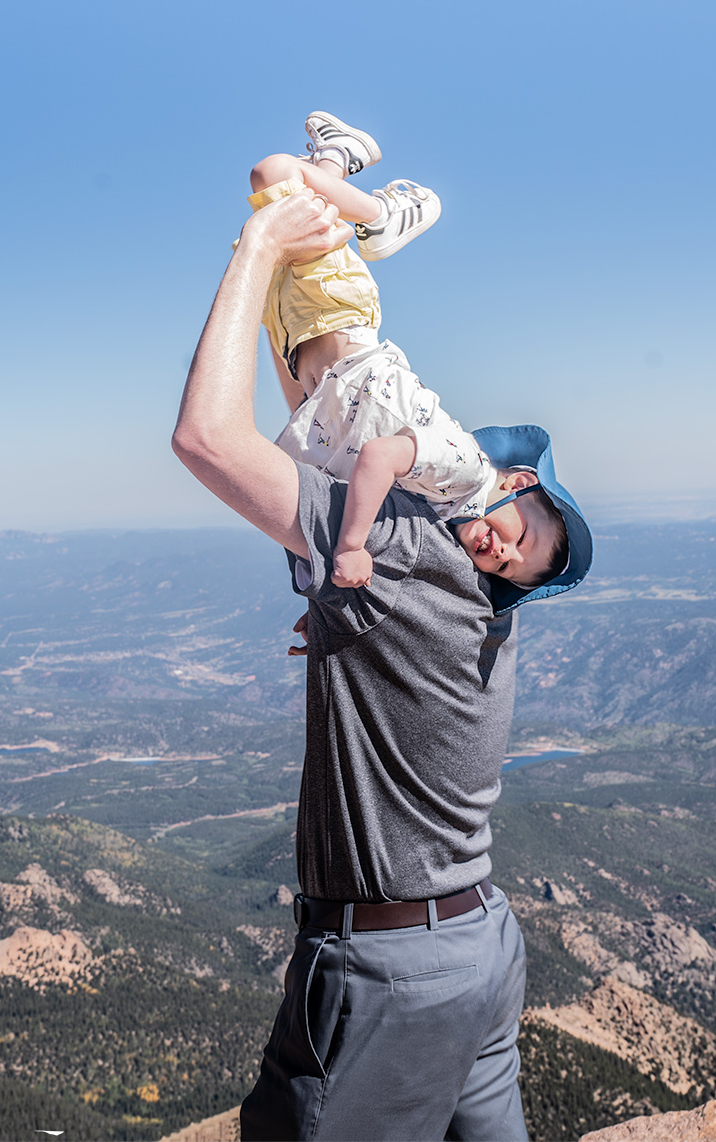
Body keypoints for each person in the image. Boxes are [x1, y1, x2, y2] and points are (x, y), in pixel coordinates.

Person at [172, 146, 593, 1142]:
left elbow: (205, 439)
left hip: (389, 970)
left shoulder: (406, 551)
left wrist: (258, 250)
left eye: (520, 543)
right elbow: (327, 427)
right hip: (482, 952)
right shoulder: (476, 604)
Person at [246, 111, 569, 592]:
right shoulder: (466, 471)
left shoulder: (433, 511)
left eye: (504, 567)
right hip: (340, 314)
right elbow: (378, 456)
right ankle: (383, 218)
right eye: (521, 538)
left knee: (296, 198)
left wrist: (321, 606)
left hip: (301, 341)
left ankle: (337, 156)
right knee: (273, 175)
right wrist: (351, 547)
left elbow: (319, 436)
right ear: (518, 487)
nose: (504, 553)